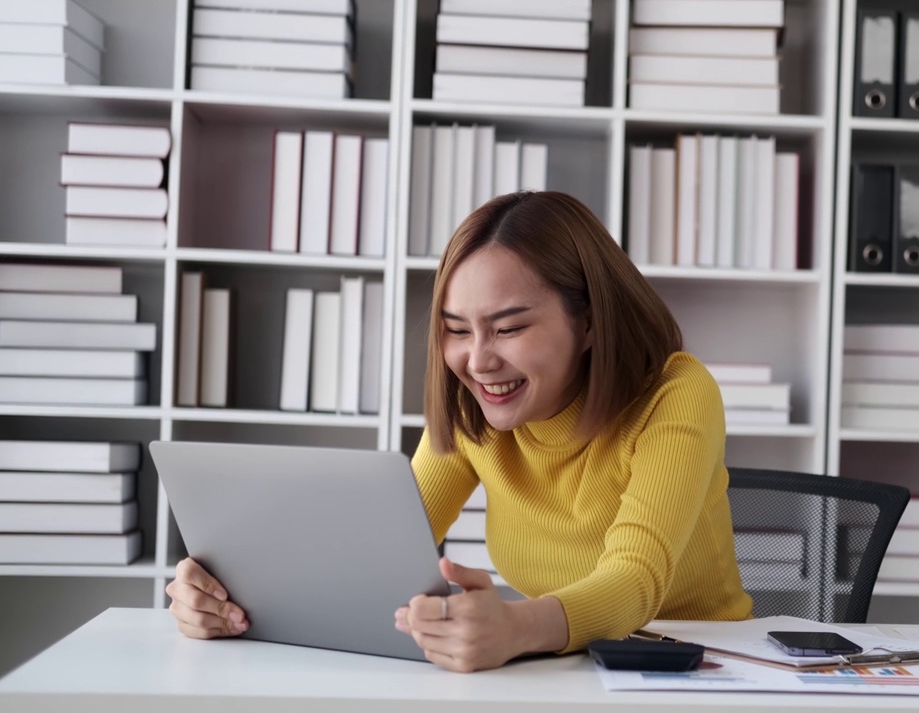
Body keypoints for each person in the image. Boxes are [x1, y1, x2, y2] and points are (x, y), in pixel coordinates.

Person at [165, 190, 754, 672]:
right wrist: (228, 598)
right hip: (564, 667)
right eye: (456, 330)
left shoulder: (676, 393)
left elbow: (634, 581)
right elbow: (371, 551)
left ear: (590, 321)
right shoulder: (479, 412)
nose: (477, 362)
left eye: (508, 327)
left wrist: (517, 624)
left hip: (698, 668)